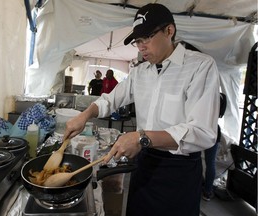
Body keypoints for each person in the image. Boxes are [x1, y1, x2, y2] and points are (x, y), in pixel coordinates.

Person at [64, 3, 220, 216]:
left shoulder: (200, 66)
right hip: (144, 165)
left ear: (169, 31)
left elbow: (202, 132)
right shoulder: (140, 72)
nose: (141, 47)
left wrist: (141, 137)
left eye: (146, 38)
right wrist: (85, 114)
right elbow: (110, 100)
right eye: (137, 41)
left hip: (178, 172)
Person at [203, 93, 227, 201]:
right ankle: (207, 192)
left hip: (202, 128)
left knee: (194, 159)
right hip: (214, 130)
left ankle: (195, 187)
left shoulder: (208, 95)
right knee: (210, 163)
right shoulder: (222, 97)